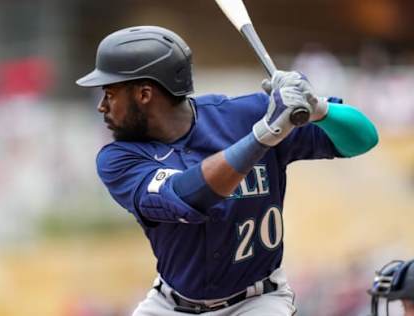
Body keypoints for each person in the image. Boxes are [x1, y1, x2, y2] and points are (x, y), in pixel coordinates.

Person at [76, 26, 378, 316]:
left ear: (144, 94)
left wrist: (318, 108)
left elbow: (363, 139)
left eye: (110, 92)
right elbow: (189, 197)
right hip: (171, 304)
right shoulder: (119, 158)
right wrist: (262, 136)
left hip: (258, 302)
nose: (102, 105)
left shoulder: (246, 114)